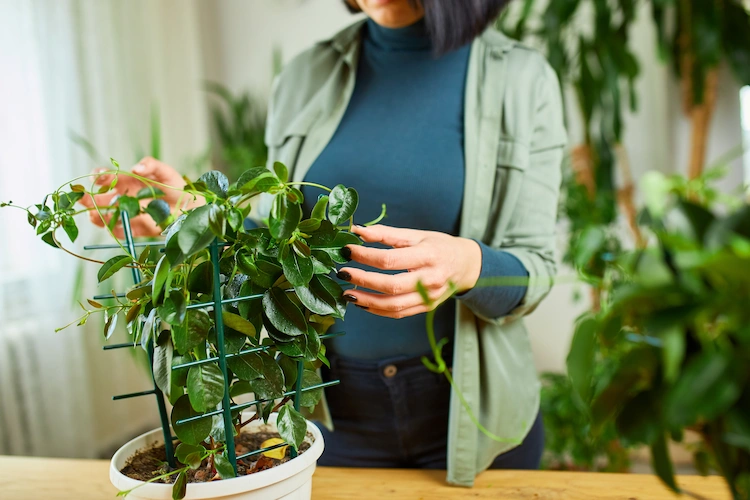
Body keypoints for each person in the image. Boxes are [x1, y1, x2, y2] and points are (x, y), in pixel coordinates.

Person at [82, 0, 566, 487]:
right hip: (330, 413)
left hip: (471, 416)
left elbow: (536, 270)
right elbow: (281, 252)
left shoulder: (522, 81)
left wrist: (469, 265)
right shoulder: (305, 76)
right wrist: (188, 213)